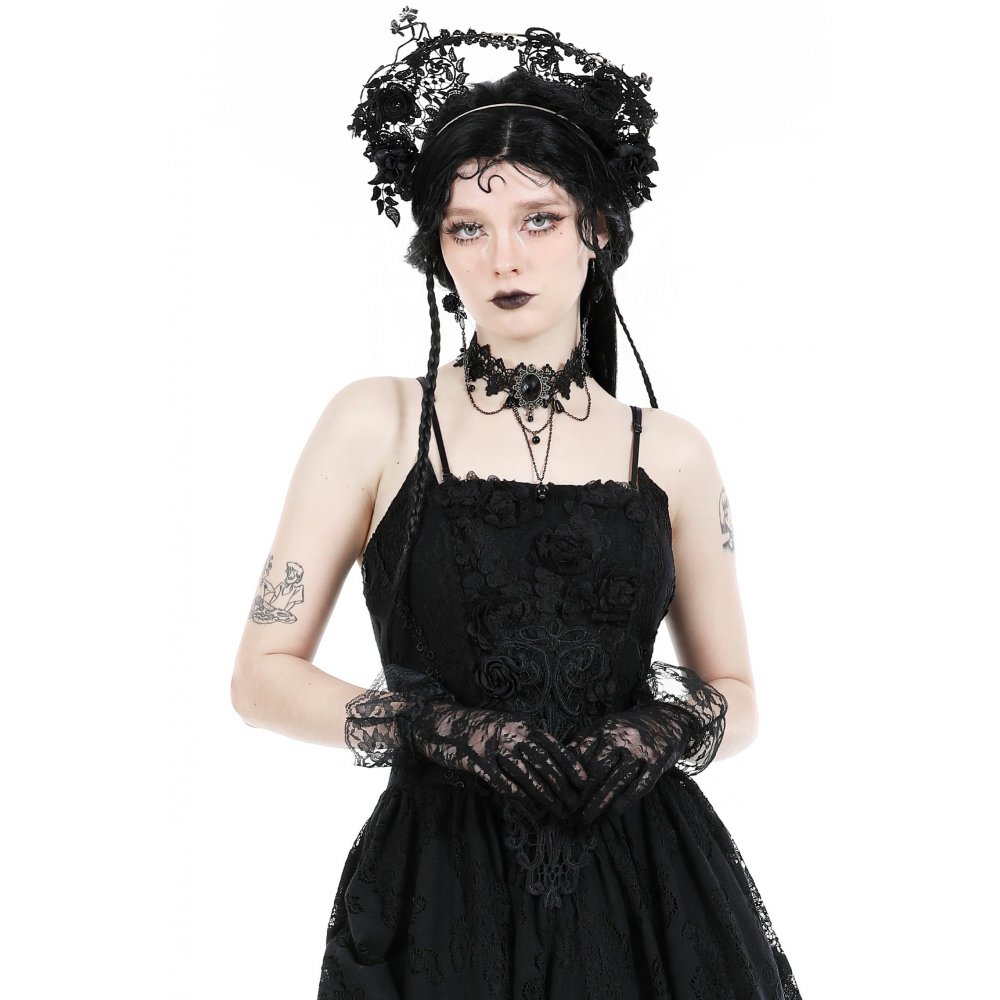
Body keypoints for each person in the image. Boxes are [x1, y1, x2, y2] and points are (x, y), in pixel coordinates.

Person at [231, 10, 803, 998]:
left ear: (597, 230)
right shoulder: (377, 422)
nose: (504, 260)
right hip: (439, 887)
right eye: (469, 227)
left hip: (650, 892)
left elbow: (739, 695)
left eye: (538, 219)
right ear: (438, 248)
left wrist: (663, 731)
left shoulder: (672, 451)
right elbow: (259, 676)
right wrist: (434, 729)